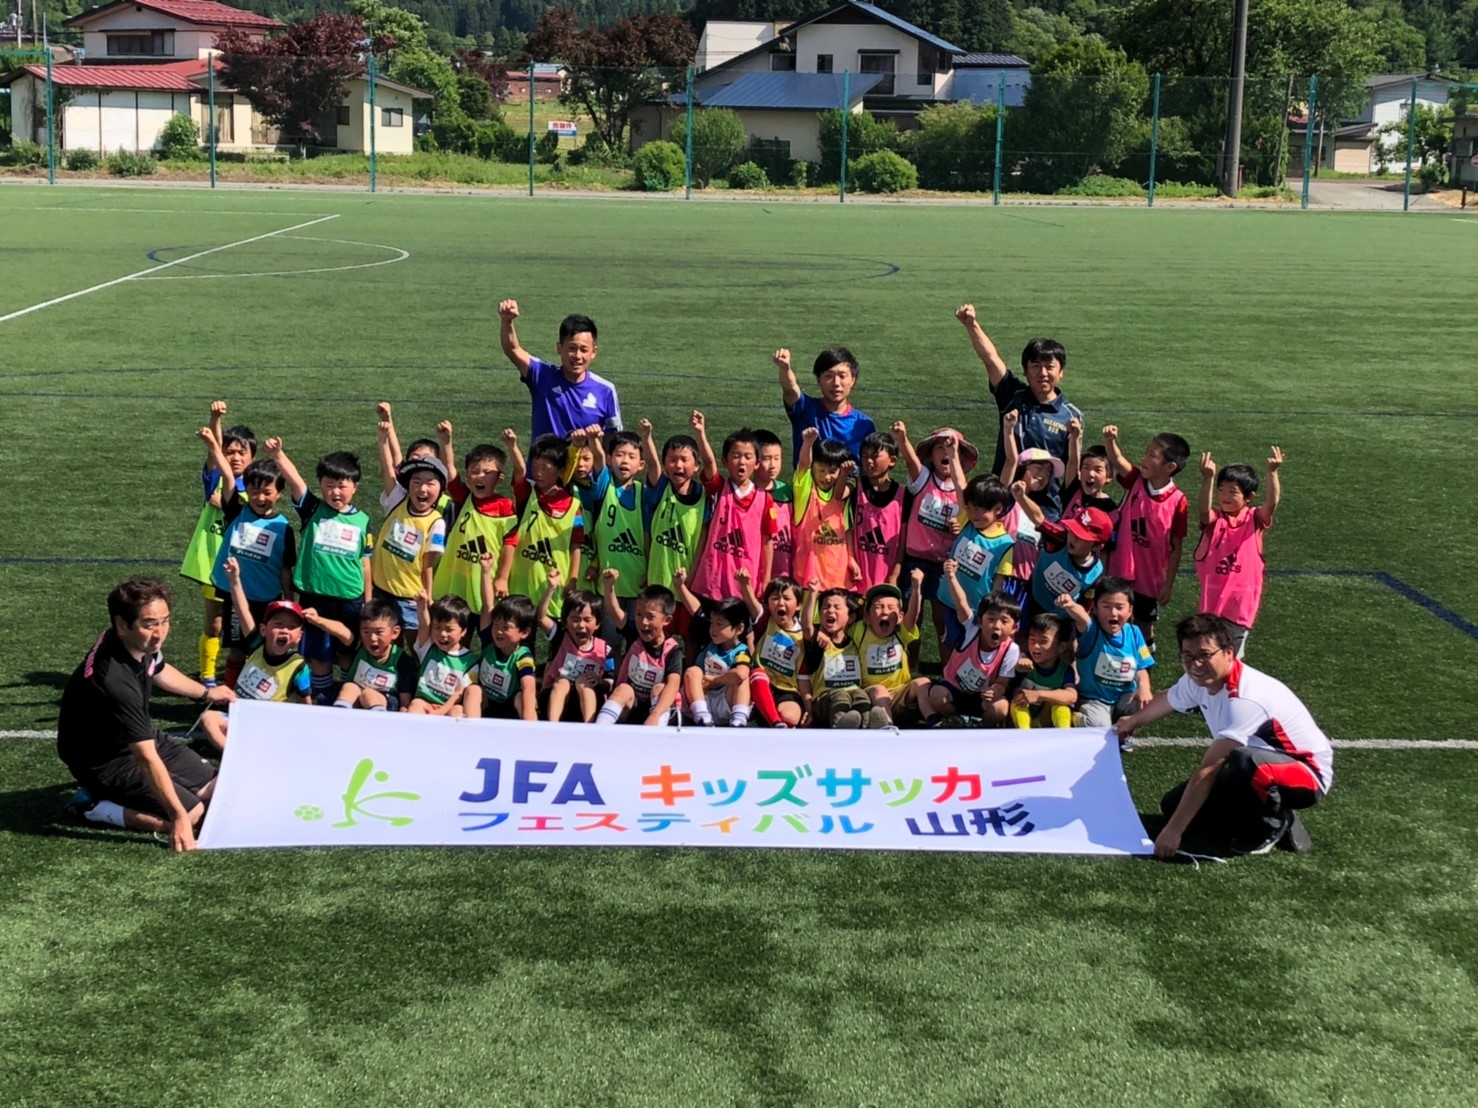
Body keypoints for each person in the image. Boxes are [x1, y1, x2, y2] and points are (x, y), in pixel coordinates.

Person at [1114, 613, 1332, 856]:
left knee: (1242, 759)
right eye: (1188, 656)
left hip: (1306, 775)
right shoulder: (1197, 681)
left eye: (1205, 655)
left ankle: (1272, 823)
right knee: (1172, 805)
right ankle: (1266, 812)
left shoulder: (1245, 698)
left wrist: (1174, 831)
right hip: (1263, 765)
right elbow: (1169, 700)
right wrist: (1132, 722)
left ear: (1229, 652)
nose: (1196, 664)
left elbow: (1208, 769)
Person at [57, 577, 235, 852]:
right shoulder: (115, 683)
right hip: (103, 761)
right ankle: (94, 806)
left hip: (130, 739)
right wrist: (176, 817)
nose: (160, 632)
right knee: (191, 813)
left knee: (218, 789)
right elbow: (145, 757)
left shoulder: (136, 642)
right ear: (121, 624)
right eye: (150, 624)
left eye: (165, 621)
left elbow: (159, 669)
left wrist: (206, 693)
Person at [264, 438, 373, 706]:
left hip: (350, 598)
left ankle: (350, 698)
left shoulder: (363, 521)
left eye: (342, 486)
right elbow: (296, 481)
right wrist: (278, 455)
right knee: (320, 654)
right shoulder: (312, 508)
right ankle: (322, 700)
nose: (336, 492)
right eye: (329, 486)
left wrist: (368, 600)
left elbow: (365, 563)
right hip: (315, 596)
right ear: (321, 486)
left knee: (348, 652)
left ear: (354, 487)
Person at [958, 303, 1081, 519]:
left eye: (1049, 366)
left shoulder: (1072, 416)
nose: (1042, 373)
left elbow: (1072, 467)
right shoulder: (1012, 396)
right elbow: (991, 359)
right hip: (1002, 501)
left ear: (1061, 372)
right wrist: (971, 324)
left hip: (1043, 510)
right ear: (1025, 370)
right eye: (1035, 366)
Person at [201, 428, 296, 691]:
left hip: (267, 600)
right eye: (254, 492)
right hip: (237, 596)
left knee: (266, 652)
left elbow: (286, 568)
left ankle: (263, 695)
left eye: (267, 492)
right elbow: (228, 475)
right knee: (237, 651)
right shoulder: (236, 510)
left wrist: (288, 600)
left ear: (278, 493)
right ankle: (233, 698)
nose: (260, 498)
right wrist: (213, 446)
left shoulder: (283, 528)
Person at [200, 559, 312, 750]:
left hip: (269, 726)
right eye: (278, 625)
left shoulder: (299, 667)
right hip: (239, 718)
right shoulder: (256, 645)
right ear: (263, 629)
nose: (284, 630)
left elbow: (306, 705)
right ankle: (235, 753)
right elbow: (242, 610)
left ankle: (244, 750)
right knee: (208, 719)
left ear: (299, 636)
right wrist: (234, 580)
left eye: (292, 627)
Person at [178, 400, 251, 687]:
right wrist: (215, 419)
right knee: (215, 623)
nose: (234, 457)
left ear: (251, 458)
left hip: (245, 567)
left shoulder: (256, 486)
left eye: (241, 452)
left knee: (244, 626)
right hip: (213, 564)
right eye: (229, 452)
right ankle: (207, 675)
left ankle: (241, 676)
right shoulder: (216, 482)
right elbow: (213, 453)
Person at [1102, 425, 1190, 649]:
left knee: (1144, 625)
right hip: (1119, 568)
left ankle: (1144, 668)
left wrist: (1168, 584)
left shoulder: (1178, 501)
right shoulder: (1136, 481)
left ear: (1170, 467)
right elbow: (1116, 458)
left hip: (1149, 578)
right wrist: (1110, 440)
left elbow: (1176, 546)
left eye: (1152, 455)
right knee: (1112, 617)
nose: (1144, 458)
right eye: (1146, 452)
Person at [1194, 447, 1284, 658]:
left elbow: (1272, 503)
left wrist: (1272, 473)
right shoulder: (1215, 519)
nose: (1224, 496)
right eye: (1221, 490)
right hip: (1212, 603)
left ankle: (1233, 691)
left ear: (1249, 497)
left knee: (1233, 659)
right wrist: (1207, 479)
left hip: (1240, 605)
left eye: (1232, 492)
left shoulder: (1254, 519)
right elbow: (1203, 511)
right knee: (1207, 655)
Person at [497, 299, 622, 439]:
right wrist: (507, 322)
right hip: (543, 461)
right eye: (572, 348)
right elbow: (513, 350)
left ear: (593, 352)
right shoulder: (542, 375)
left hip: (583, 461)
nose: (577, 356)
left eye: (584, 350)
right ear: (559, 348)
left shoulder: (606, 390)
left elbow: (612, 441)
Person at [689, 415, 776, 614]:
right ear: (725, 461)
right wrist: (700, 433)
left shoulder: (764, 499)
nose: (741, 462)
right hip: (713, 582)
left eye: (747, 456)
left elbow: (767, 540)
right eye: (736, 456)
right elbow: (709, 464)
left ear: (757, 463)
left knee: (741, 638)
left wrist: (766, 579)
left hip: (744, 585)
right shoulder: (720, 488)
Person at [433, 428, 519, 615]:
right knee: (452, 633)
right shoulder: (464, 497)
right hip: (456, 582)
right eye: (474, 471)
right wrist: (446, 441)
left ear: (500, 479)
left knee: (489, 634)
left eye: (487, 472)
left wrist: (502, 577)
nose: (480, 476)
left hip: (485, 583)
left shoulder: (504, 506)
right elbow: (449, 468)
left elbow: (510, 543)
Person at [920, 573, 1021, 727]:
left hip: (982, 698)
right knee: (936, 695)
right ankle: (955, 719)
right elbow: (961, 602)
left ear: (1014, 628)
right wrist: (951, 577)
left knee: (1000, 709)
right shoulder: (972, 630)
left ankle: (982, 726)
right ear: (980, 621)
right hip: (954, 690)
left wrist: (995, 691)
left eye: (1004, 621)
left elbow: (1002, 682)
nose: (996, 626)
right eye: (991, 619)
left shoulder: (1011, 650)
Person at [506, 434, 585, 622]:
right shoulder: (527, 493)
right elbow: (518, 469)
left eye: (544, 468)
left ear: (560, 471)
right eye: (535, 467)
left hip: (554, 583)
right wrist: (512, 446)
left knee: (557, 641)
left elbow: (576, 545)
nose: (538, 473)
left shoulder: (574, 506)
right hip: (521, 585)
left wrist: (572, 579)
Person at [1060, 576, 1153, 730]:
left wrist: (1144, 686)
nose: (1113, 613)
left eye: (1119, 607)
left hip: (1123, 697)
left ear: (1130, 610)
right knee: (1099, 725)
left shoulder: (1134, 632)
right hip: (1095, 699)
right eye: (1106, 606)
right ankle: (1076, 716)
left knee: (1144, 703)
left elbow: (1141, 667)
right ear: (1095, 609)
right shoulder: (1092, 632)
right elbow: (1082, 617)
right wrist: (1070, 605)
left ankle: (1124, 732)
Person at [370, 452, 449, 634]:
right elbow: (387, 470)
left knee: (417, 647)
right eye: (416, 481)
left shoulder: (436, 522)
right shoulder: (398, 501)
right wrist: (383, 440)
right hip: (381, 590)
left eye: (430, 483)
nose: (422, 489)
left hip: (410, 597)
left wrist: (427, 597)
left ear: (441, 489)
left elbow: (427, 564)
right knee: (385, 643)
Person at [578, 427, 649, 622]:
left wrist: (650, 572)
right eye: (619, 455)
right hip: (608, 585)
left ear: (641, 464)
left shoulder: (644, 494)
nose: (625, 461)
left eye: (631, 456)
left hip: (638, 584)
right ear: (610, 459)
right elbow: (598, 459)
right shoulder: (604, 487)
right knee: (610, 643)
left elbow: (649, 536)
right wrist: (593, 440)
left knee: (638, 641)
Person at [597, 579, 685, 726]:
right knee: (624, 689)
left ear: (667, 619)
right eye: (638, 614)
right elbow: (614, 612)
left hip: (657, 710)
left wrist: (655, 714)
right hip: (632, 705)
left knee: (660, 688)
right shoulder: (635, 634)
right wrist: (608, 586)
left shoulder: (672, 650)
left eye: (650, 617)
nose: (643, 622)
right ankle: (599, 732)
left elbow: (673, 685)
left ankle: (657, 734)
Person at [774, 346, 876, 464]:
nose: (836, 383)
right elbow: (790, 389)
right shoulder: (805, 409)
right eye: (828, 376)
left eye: (842, 376)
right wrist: (784, 368)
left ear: (853, 380)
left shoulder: (864, 424)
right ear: (818, 379)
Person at [467, 565, 539, 721]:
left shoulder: (523, 657)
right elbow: (487, 606)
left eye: (506, 628)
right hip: (485, 704)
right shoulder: (489, 642)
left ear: (524, 633)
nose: (498, 631)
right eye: (496, 625)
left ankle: (531, 732)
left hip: (510, 710)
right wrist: (485, 572)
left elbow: (529, 688)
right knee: (474, 690)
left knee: (523, 697)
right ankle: (472, 731)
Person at [791, 429, 857, 592]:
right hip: (808, 579)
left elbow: (847, 529)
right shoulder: (805, 491)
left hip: (839, 579)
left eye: (832, 472)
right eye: (821, 470)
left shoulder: (845, 495)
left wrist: (851, 559)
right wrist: (807, 444)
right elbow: (804, 464)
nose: (826, 477)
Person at [798, 584, 870, 728]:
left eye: (837, 607)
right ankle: (839, 728)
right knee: (840, 696)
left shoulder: (856, 641)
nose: (830, 610)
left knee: (861, 695)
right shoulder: (819, 641)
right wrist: (812, 594)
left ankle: (868, 725)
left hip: (853, 694)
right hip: (824, 700)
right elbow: (806, 627)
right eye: (825, 607)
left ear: (851, 617)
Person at [406, 593, 479, 717]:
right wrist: (422, 607)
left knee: (458, 711)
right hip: (425, 702)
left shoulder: (471, 661)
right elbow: (424, 625)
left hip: (448, 706)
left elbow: (459, 693)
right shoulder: (428, 647)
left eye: (449, 629)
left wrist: (441, 711)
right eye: (437, 627)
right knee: (415, 704)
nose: (443, 634)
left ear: (464, 631)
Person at [853, 430, 905, 593]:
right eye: (864, 455)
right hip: (856, 576)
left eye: (875, 456)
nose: (868, 461)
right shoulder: (855, 487)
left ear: (892, 461)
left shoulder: (904, 496)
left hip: (887, 576)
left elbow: (903, 541)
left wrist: (895, 574)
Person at [1009, 613, 1079, 729]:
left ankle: (1064, 738)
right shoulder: (1025, 662)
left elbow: (1072, 696)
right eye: (1032, 639)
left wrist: (1038, 695)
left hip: (1044, 720)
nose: (1036, 646)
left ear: (1061, 647)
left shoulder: (1064, 670)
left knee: (1062, 707)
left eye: (1043, 641)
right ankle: (1024, 736)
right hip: (1021, 721)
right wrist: (1018, 666)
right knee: (1019, 698)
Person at [754, 429, 794, 581]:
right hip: (757, 571)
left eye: (777, 458)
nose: (773, 465)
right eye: (767, 459)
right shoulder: (749, 492)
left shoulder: (786, 492)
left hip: (784, 569)